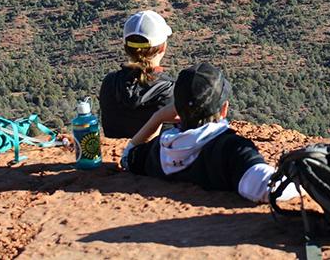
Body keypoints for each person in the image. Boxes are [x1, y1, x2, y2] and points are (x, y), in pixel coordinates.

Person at [120, 62, 298, 203]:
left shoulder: (160, 149)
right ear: (224, 109)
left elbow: (127, 158)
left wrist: (157, 118)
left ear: (177, 110)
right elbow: (269, 189)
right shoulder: (230, 149)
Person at [99, 10, 176, 138]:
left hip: (115, 155)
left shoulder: (110, 82)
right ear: (163, 47)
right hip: (155, 157)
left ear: (125, 47)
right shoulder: (171, 90)